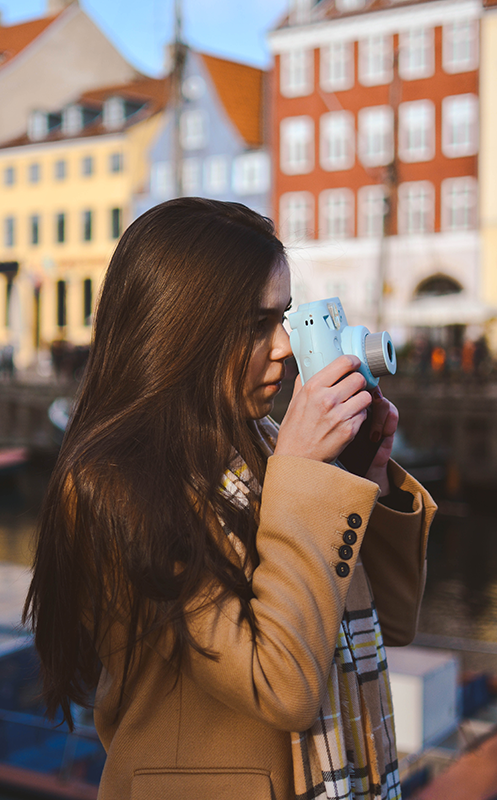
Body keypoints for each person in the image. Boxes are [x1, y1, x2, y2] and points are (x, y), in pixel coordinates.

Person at [24, 198, 436, 800]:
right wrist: (307, 480)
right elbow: (281, 683)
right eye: (254, 325)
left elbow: (389, 622)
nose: (285, 347)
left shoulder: (268, 449)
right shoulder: (113, 485)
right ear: (178, 328)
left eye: (286, 318)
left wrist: (360, 478)